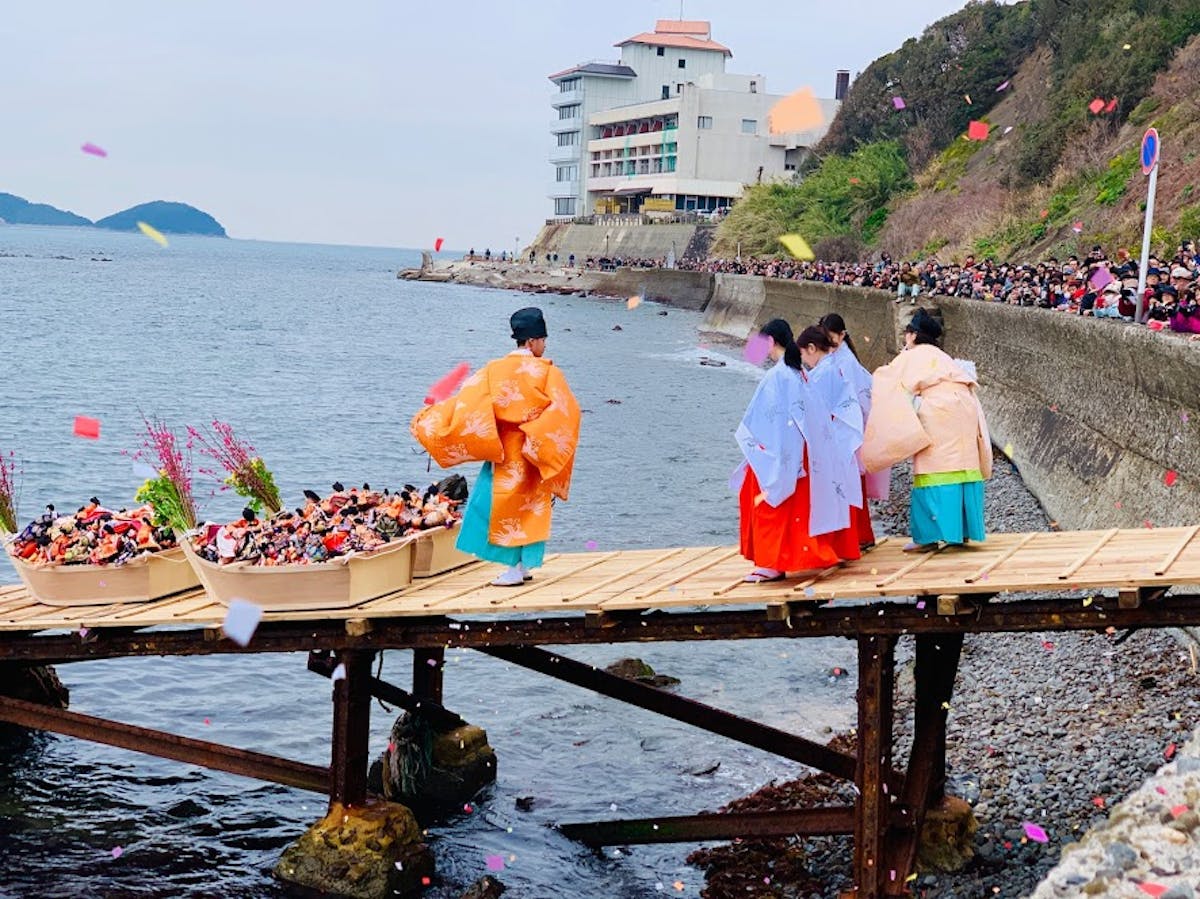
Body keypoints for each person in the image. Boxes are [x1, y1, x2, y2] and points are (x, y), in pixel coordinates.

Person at [411, 307, 581, 586]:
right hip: (535, 450)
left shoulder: (493, 371)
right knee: (531, 509)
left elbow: (467, 403)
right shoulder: (548, 373)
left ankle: (514, 568)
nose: (545, 345)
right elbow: (567, 411)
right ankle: (522, 565)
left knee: (493, 506)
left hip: (504, 452)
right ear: (531, 341)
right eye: (542, 340)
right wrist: (538, 438)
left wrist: (431, 420)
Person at [732, 320, 860, 583]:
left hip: (781, 449)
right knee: (795, 508)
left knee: (768, 502)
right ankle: (785, 558)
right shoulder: (796, 372)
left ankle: (772, 561)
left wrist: (761, 447)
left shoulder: (778, 375)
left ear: (770, 342)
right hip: (800, 450)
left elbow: (765, 418)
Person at [862, 309, 992, 551]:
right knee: (962, 465)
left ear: (912, 336)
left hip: (937, 412)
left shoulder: (912, 356)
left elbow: (886, 381)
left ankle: (930, 536)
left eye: (906, 335)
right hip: (966, 408)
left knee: (934, 469)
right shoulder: (943, 356)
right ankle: (961, 531)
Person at [819, 313, 882, 547]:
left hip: (847, 426)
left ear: (842, 335)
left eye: (831, 337)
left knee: (847, 484)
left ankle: (855, 536)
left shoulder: (845, 362)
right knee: (850, 485)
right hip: (845, 425)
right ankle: (860, 534)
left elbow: (853, 400)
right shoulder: (841, 359)